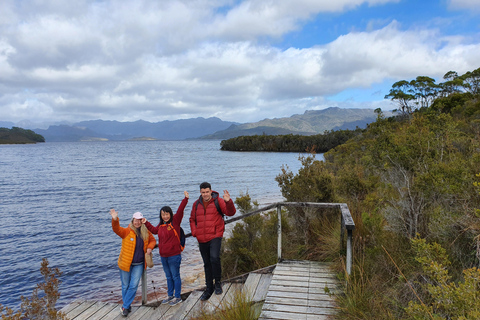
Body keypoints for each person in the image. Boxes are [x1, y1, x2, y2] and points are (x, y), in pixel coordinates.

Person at [189, 182, 236, 301]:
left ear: (211, 191)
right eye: (203, 192)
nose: (205, 194)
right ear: (200, 192)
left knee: (214, 258)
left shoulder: (218, 201)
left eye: (207, 192)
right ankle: (209, 288)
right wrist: (195, 232)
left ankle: (218, 283)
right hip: (202, 238)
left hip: (215, 235)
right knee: (206, 263)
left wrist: (228, 201)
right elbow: (192, 219)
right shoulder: (196, 204)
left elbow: (231, 213)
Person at [142, 191, 189, 307]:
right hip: (164, 256)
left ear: (171, 214)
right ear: (161, 215)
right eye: (163, 214)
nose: (165, 216)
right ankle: (170, 295)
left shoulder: (175, 221)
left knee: (175, 276)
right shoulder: (161, 225)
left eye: (167, 214)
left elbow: (181, 210)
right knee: (168, 277)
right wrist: (145, 222)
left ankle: (178, 297)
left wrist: (185, 199)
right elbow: (153, 230)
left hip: (174, 255)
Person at [110, 209, 156, 317]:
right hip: (125, 263)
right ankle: (127, 305)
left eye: (140, 220)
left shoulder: (146, 232)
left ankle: (125, 306)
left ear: (142, 221)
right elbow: (116, 229)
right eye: (136, 220)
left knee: (134, 285)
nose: (138, 222)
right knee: (125, 285)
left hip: (139, 264)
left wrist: (149, 248)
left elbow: (153, 240)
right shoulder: (127, 231)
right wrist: (115, 219)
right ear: (132, 220)